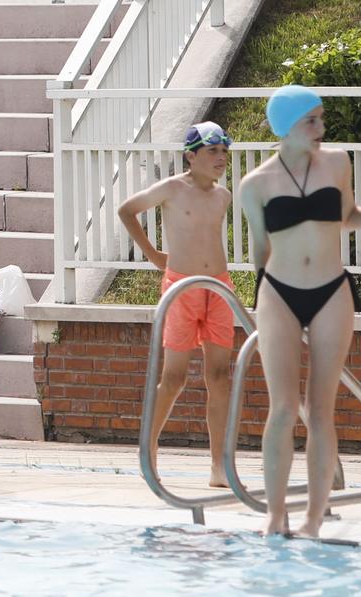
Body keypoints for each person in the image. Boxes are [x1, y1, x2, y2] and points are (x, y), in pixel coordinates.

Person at [238, 85, 361, 537]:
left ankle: (315, 518)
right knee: (281, 408)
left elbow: (348, 217)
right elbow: (260, 251)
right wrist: (267, 297)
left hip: (332, 290)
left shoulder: (337, 162)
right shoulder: (255, 185)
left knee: (320, 409)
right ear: (285, 127)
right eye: (310, 120)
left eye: (321, 118)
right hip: (278, 291)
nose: (321, 127)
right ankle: (277, 514)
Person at [116, 121, 237, 487]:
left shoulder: (223, 195)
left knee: (220, 377)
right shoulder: (172, 188)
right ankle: (148, 449)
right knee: (174, 377)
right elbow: (126, 210)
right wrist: (153, 254)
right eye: (212, 152)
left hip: (218, 287)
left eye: (223, 153)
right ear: (191, 155)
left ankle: (219, 465)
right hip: (181, 288)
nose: (220, 159)